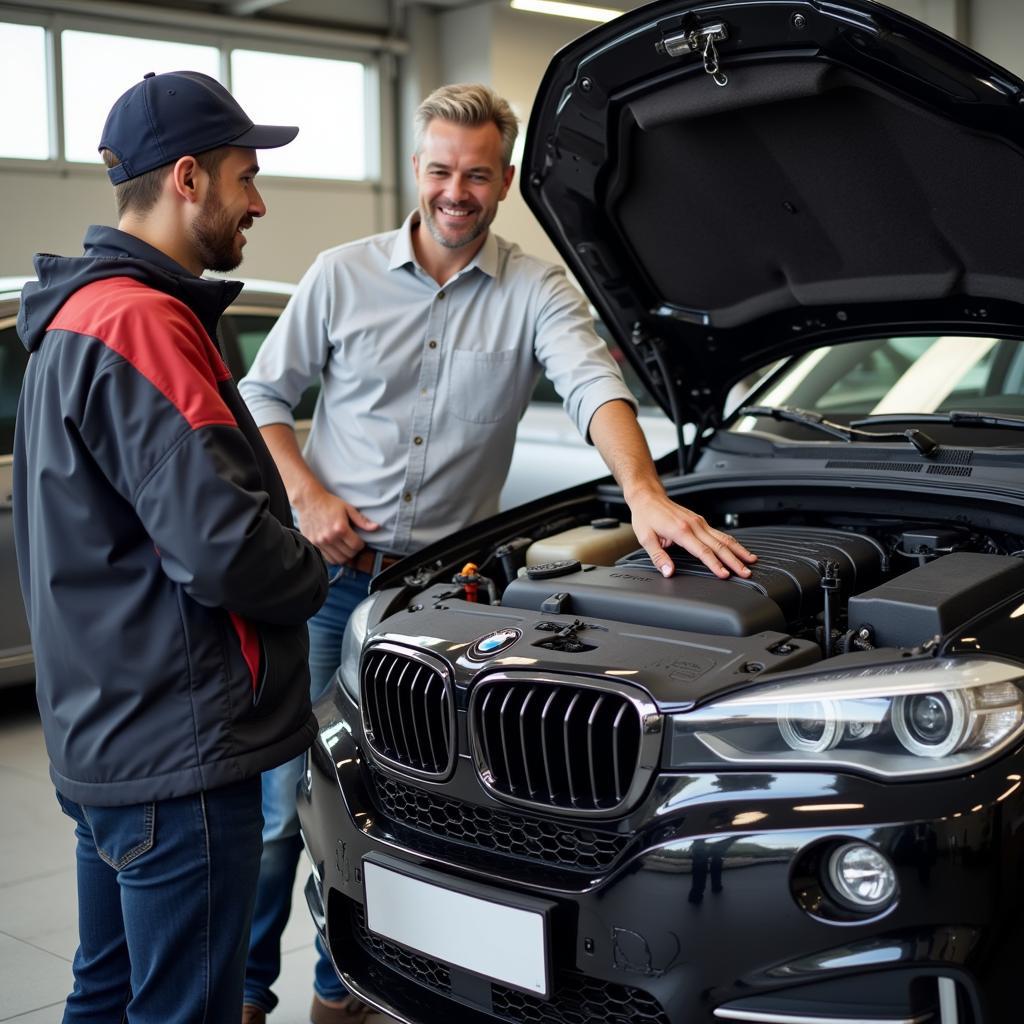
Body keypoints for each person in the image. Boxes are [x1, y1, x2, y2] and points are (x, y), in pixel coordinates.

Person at [238, 82, 756, 1023]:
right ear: (416, 168)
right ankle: (241, 995)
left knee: (392, 813)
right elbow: (262, 396)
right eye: (440, 170)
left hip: (435, 605)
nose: (455, 191)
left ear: (504, 180)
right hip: (323, 583)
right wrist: (305, 493)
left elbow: (596, 384)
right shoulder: (339, 274)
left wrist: (644, 492)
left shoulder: (533, 289)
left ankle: (339, 989)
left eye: (477, 175)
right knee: (282, 812)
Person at [13, 71, 329, 1024]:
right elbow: (225, 548)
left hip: (108, 737)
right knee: (181, 1008)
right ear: (188, 178)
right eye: (246, 176)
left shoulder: (74, 314)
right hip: (178, 748)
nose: (258, 202)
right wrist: (313, 567)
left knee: (105, 994)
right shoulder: (144, 324)